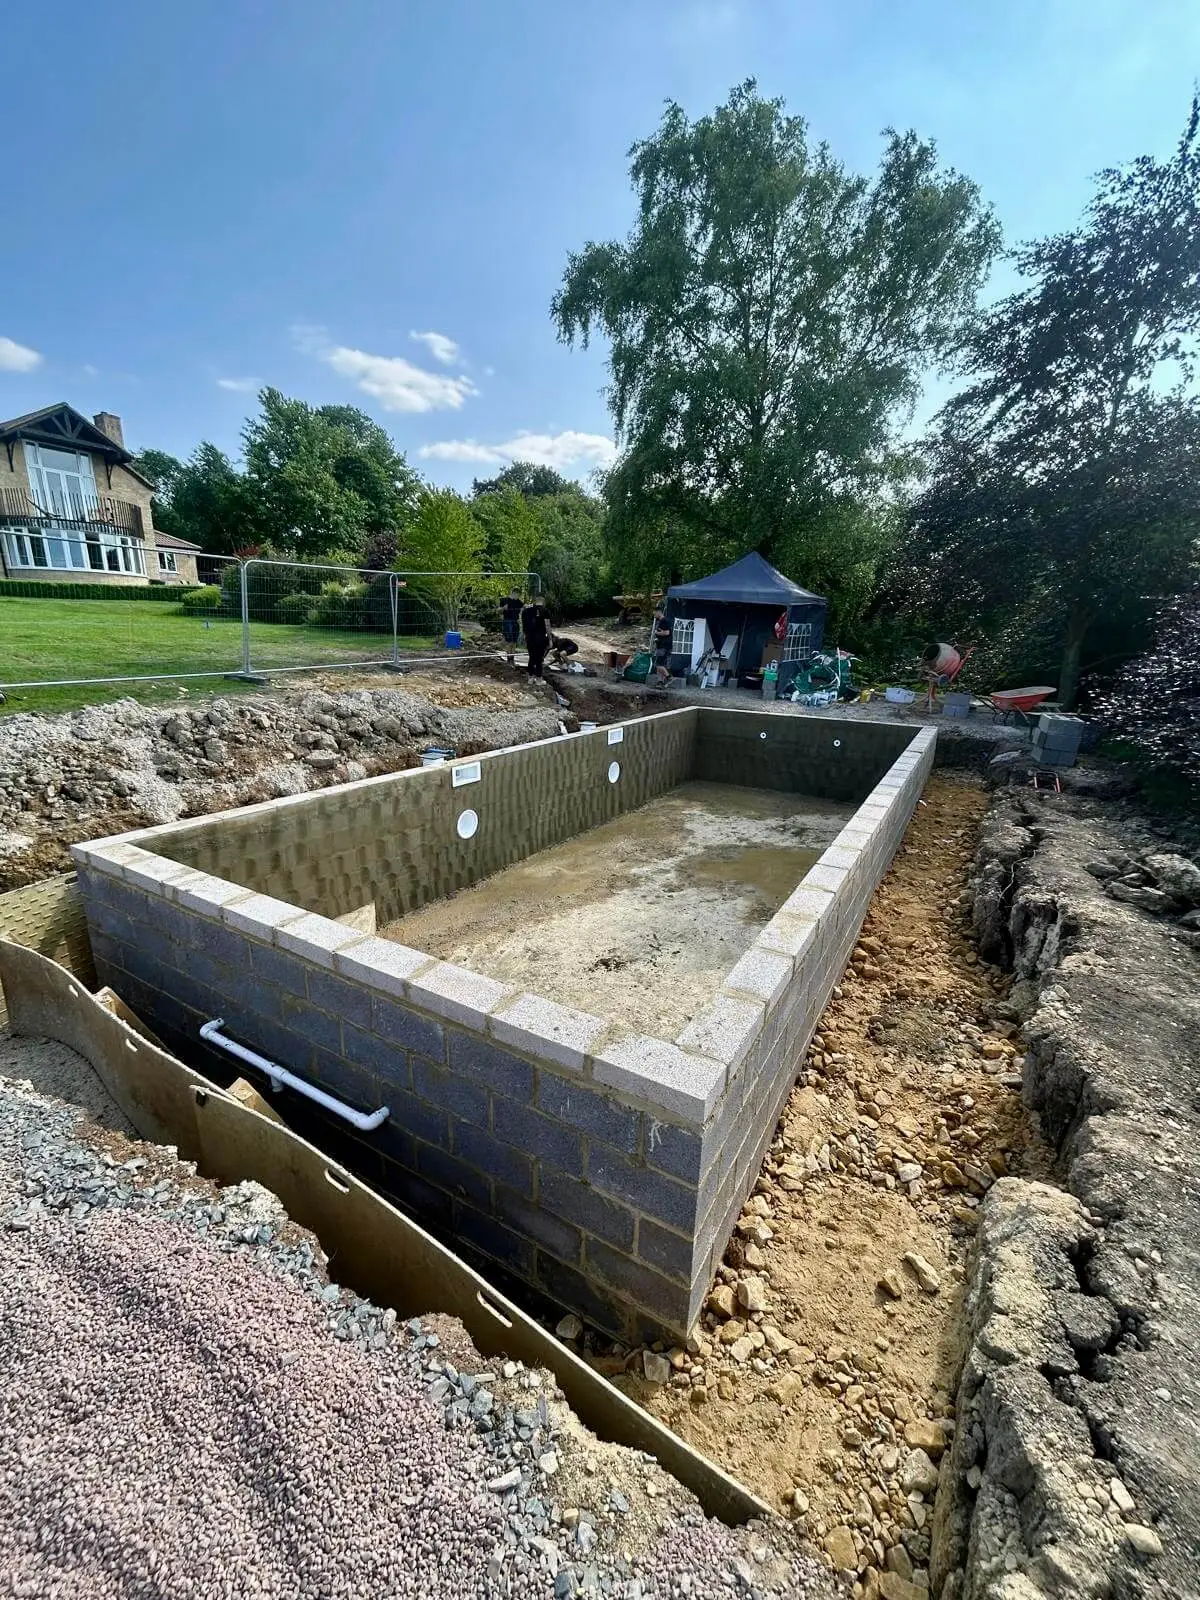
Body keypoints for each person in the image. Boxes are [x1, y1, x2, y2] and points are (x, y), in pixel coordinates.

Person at [521, 599, 551, 678]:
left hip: (529, 637)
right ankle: (538, 678)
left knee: (531, 657)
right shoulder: (545, 611)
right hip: (540, 638)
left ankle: (530, 677)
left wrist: (525, 637)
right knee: (539, 659)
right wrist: (550, 639)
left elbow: (523, 625)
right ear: (543, 602)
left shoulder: (526, 611)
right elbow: (547, 626)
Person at [652, 606, 673, 685]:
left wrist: (657, 633)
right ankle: (660, 682)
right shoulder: (661, 621)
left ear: (659, 612)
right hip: (661, 645)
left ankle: (668, 677)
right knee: (660, 664)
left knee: (657, 665)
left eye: (654, 613)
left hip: (663, 646)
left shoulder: (664, 621)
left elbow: (667, 633)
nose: (654, 615)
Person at [499, 593, 522, 663]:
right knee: (509, 640)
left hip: (516, 621)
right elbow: (499, 611)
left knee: (514, 641)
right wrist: (503, 608)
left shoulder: (519, 601)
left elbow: (524, 608)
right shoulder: (504, 600)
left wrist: (520, 617)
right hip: (508, 621)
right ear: (513, 593)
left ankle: (512, 658)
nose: (518, 597)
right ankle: (509, 658)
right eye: (517, 595)